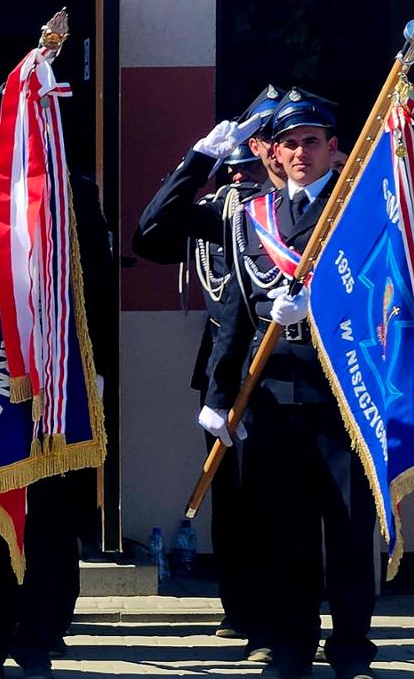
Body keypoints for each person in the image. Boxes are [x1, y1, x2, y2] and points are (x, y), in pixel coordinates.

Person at [0, 79, 117, 679]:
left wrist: (95, 371)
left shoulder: (56, 194)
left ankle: (38, 637)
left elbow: (95, 291)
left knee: (46, 518)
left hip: (40, 385)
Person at [208, 89, 379, 679]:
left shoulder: (359, 209)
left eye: (312, 141)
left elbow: (386, 296)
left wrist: (322, 306)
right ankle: (292, 643)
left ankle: (352, 647)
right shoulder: (254, 215)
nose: (301, 152)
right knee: (285, 530)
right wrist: (217, 395)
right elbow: (234, 309)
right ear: (274, 154)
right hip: (274, 397)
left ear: (335, 148)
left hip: (344, 395)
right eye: (289, 143)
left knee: (350, 531)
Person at [131, 85, 284, 663]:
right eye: (237, 169)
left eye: (254, 166)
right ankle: (243, 610)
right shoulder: (224, 214)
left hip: (279, 370)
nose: (244, 179)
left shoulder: (291, 216)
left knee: (280, 501)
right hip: (224, 374)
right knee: (234, 494)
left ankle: (280, 621)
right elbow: (150, 232)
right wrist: (198, 160)